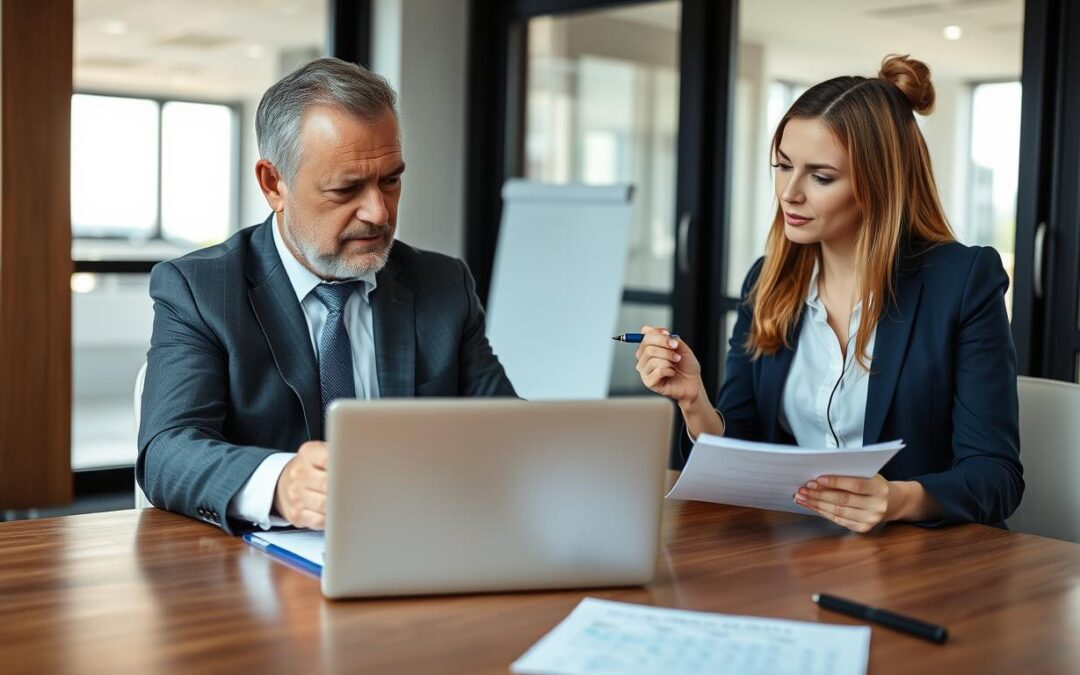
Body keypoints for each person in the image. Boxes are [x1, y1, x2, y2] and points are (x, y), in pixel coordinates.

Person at [635, 55, 1023, 532]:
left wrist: (899, 499)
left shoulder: (962, 281)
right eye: (782, 166)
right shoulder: (768, 283)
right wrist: (694, 401)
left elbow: (996, 476)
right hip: (799, 550)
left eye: (820, 177)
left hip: (923, 557)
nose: (789, 193)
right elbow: (745, 444)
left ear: (880, 184)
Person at [137, 58, 516, 535]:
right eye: (346, 189)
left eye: (391, 180)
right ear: (274, 184)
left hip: (420, 541)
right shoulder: (201, 290)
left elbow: (506, 430)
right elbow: (167, 450)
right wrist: (279, 484)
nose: (378, 213)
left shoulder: (443, 285)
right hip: (260, 577)